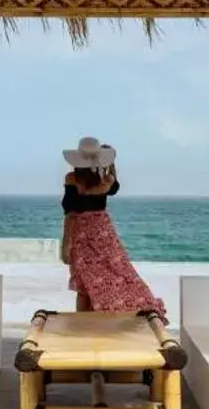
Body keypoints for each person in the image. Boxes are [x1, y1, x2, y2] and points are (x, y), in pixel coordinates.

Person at [59, 136, 166, 319]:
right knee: (119, 274)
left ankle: (84, 327)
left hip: (81, 233)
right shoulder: (106, 180)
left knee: (84, 285)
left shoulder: (72, 180)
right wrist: (111, 162)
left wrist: (64, 246)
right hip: (103, 232)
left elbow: (70, 214)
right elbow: (115, 186)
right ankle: (128, 312)